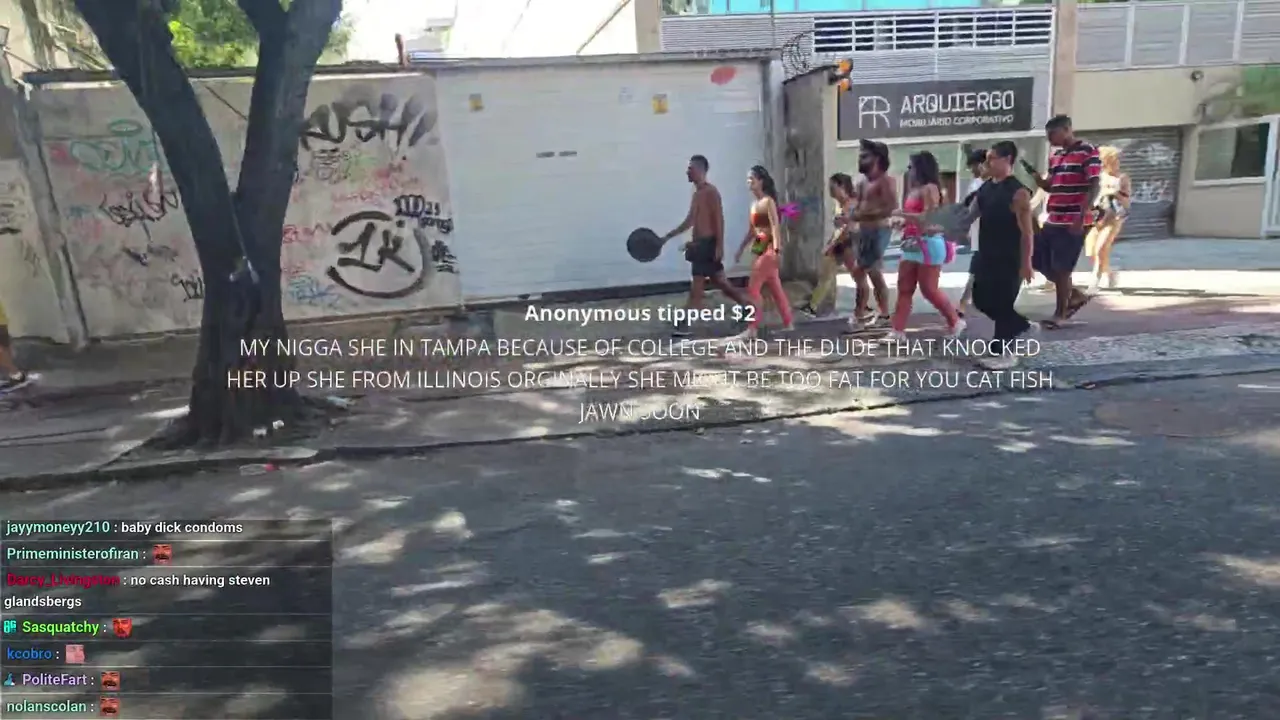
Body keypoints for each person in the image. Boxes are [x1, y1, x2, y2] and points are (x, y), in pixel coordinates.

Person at [661, 155, 755, 337]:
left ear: (700, 170)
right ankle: (748, 307)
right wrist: (668, 236)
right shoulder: (697, 194)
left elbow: (718, 220)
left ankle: (683, 324)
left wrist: (719, 246)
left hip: (708, 246)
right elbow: (690, 221)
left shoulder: (711, 192)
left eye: (690, 169)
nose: (687, 172)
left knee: (697, 288)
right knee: (721, 283)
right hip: (700, 247)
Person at [966, 141, 1038, 369]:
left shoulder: (1018, 192)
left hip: (1010, 256)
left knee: (1003, 303)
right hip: (987, 253)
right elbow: (969, 215)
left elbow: (1027, 232)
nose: (986, 163)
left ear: (1007, 160)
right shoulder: (986, 188)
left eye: (991, 159)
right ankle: (1020, 324)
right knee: (980, 299)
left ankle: (1004, 354)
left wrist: (1026, 263)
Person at [1027, 115, 1101, 328]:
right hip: (1054, 218)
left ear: (1067, 130)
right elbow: (1051, 186)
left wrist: (1081, 216)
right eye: (1048, 135)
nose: (1050, 139)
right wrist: (1039, 181)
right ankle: (1075, 295)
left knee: (1062, 267)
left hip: (1073, 218)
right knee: (1036, 257)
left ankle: (1060, 314)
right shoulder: (1056, 155)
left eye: (1053, 134)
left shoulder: (1087, 151)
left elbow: (1094, 184)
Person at [888, 151, 964, 343]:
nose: (909, 170)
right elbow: (915, 218)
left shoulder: (930, 189)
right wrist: (902, 223)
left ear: (921, 168)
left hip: (928, 244)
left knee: (929, 289)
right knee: (904, 288)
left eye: (911, 166)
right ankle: (897, 331)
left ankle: (955, 321)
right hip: (911, 243)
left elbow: (927, 218)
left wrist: (903, 215)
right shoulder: (914, 190)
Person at [734, 165, 794, 338]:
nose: (749, 182)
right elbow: (752, 231)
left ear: (761, 181)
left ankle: (752, 328)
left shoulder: (768, 202)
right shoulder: (754, 205)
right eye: (748, 179)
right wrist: (740, 248)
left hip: (769, 251)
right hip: (760, 249)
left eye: (752, 179)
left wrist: (777, 249)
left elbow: (775, 226)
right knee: (776, 289)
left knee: (753, 289)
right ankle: (788, 323)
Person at [847, 139, 894, 332]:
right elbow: (856, 208)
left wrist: (861, 215)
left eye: (865, 156)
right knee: (864, 273)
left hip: (879, 231)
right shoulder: (862, 183)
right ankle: (872, 313)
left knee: (869, 271)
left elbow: (890, 208)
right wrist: (851, 216)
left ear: (877, 159)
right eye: (860, 155)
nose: (860, 159)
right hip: (864, 231)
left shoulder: (885, 181)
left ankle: (872, 314)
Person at [798, 173, 860, 318]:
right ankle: (812, 306)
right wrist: (831, 242)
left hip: (849, 243)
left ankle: (864, 306)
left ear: (842, 186)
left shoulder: (851, 204)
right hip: (840, 243)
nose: (830, 191)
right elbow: (840, 229)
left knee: (857, 277)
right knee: (828, 275)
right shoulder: (839, 204)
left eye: (833, 187)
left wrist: (831, 245)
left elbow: (848, 229)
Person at [1085, 145, 1131, 293]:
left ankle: (1095, 281)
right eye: (1113, 160)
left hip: (1113, 217)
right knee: (1093, 252)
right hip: (1096, 217)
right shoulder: (1096, 177)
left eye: (1117, 160)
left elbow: (1126, 202)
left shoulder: (1122, 178)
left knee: (1101, 248)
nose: (1117, 163)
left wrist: (1113, 192)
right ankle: (1111, 274)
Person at [956, 147, 989, 318]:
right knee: (978, 266)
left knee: (979, 266)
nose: (972, 170)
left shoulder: (995, 184)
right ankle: (965, 301)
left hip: (992, 231)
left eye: (974, 166)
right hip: (979, 230)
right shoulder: (976, 183)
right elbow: (968, 206)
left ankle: (964, 301)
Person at [0, 301, 31, 392]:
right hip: (2, 320)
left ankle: (15, 373)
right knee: (5, 346)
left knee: (4, 348)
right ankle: (14, 374)